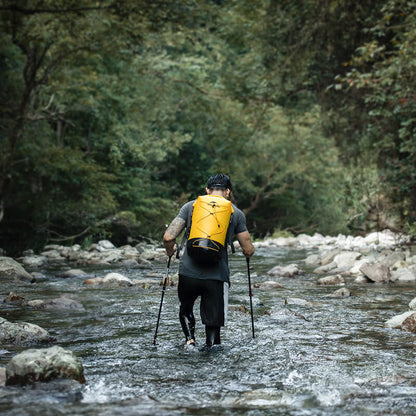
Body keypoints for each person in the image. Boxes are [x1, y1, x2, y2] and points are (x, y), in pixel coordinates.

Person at [163, 174, 255, 349]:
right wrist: (249, 252)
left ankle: (190, 341)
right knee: (213, 322)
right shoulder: (236, 213)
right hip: (216, 276)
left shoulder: (190, 207)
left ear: (207, 190)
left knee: (186, 307)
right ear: (228, 192)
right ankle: (210, 346)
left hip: (188, 273)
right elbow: (248, 249)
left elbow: (168, 237)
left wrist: (170, 251)